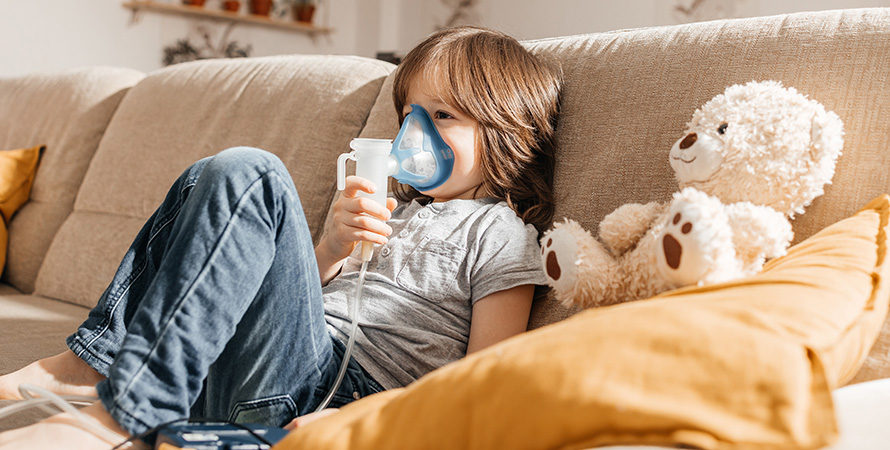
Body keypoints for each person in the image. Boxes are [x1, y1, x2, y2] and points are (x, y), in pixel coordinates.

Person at [0, 25, 562, 448]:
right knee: (211, 176)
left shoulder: (501, 233)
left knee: (256, 174)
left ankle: (122, 414)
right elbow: (279, 300)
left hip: (328, 393)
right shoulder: (391, 209)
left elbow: (484, 379)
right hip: (253, 368)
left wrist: (367, 418)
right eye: (409, 113)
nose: (414, 133)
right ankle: (101, 361)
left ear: (507, 129)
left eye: (442, 115)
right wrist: (330, 252)